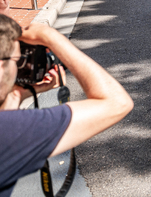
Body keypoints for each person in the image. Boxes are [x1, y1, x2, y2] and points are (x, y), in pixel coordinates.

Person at [0, 15, 133, 195]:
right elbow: (117, 103)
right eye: (17, 59)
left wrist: (20, 93)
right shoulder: (11, 131)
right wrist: (52, 38)